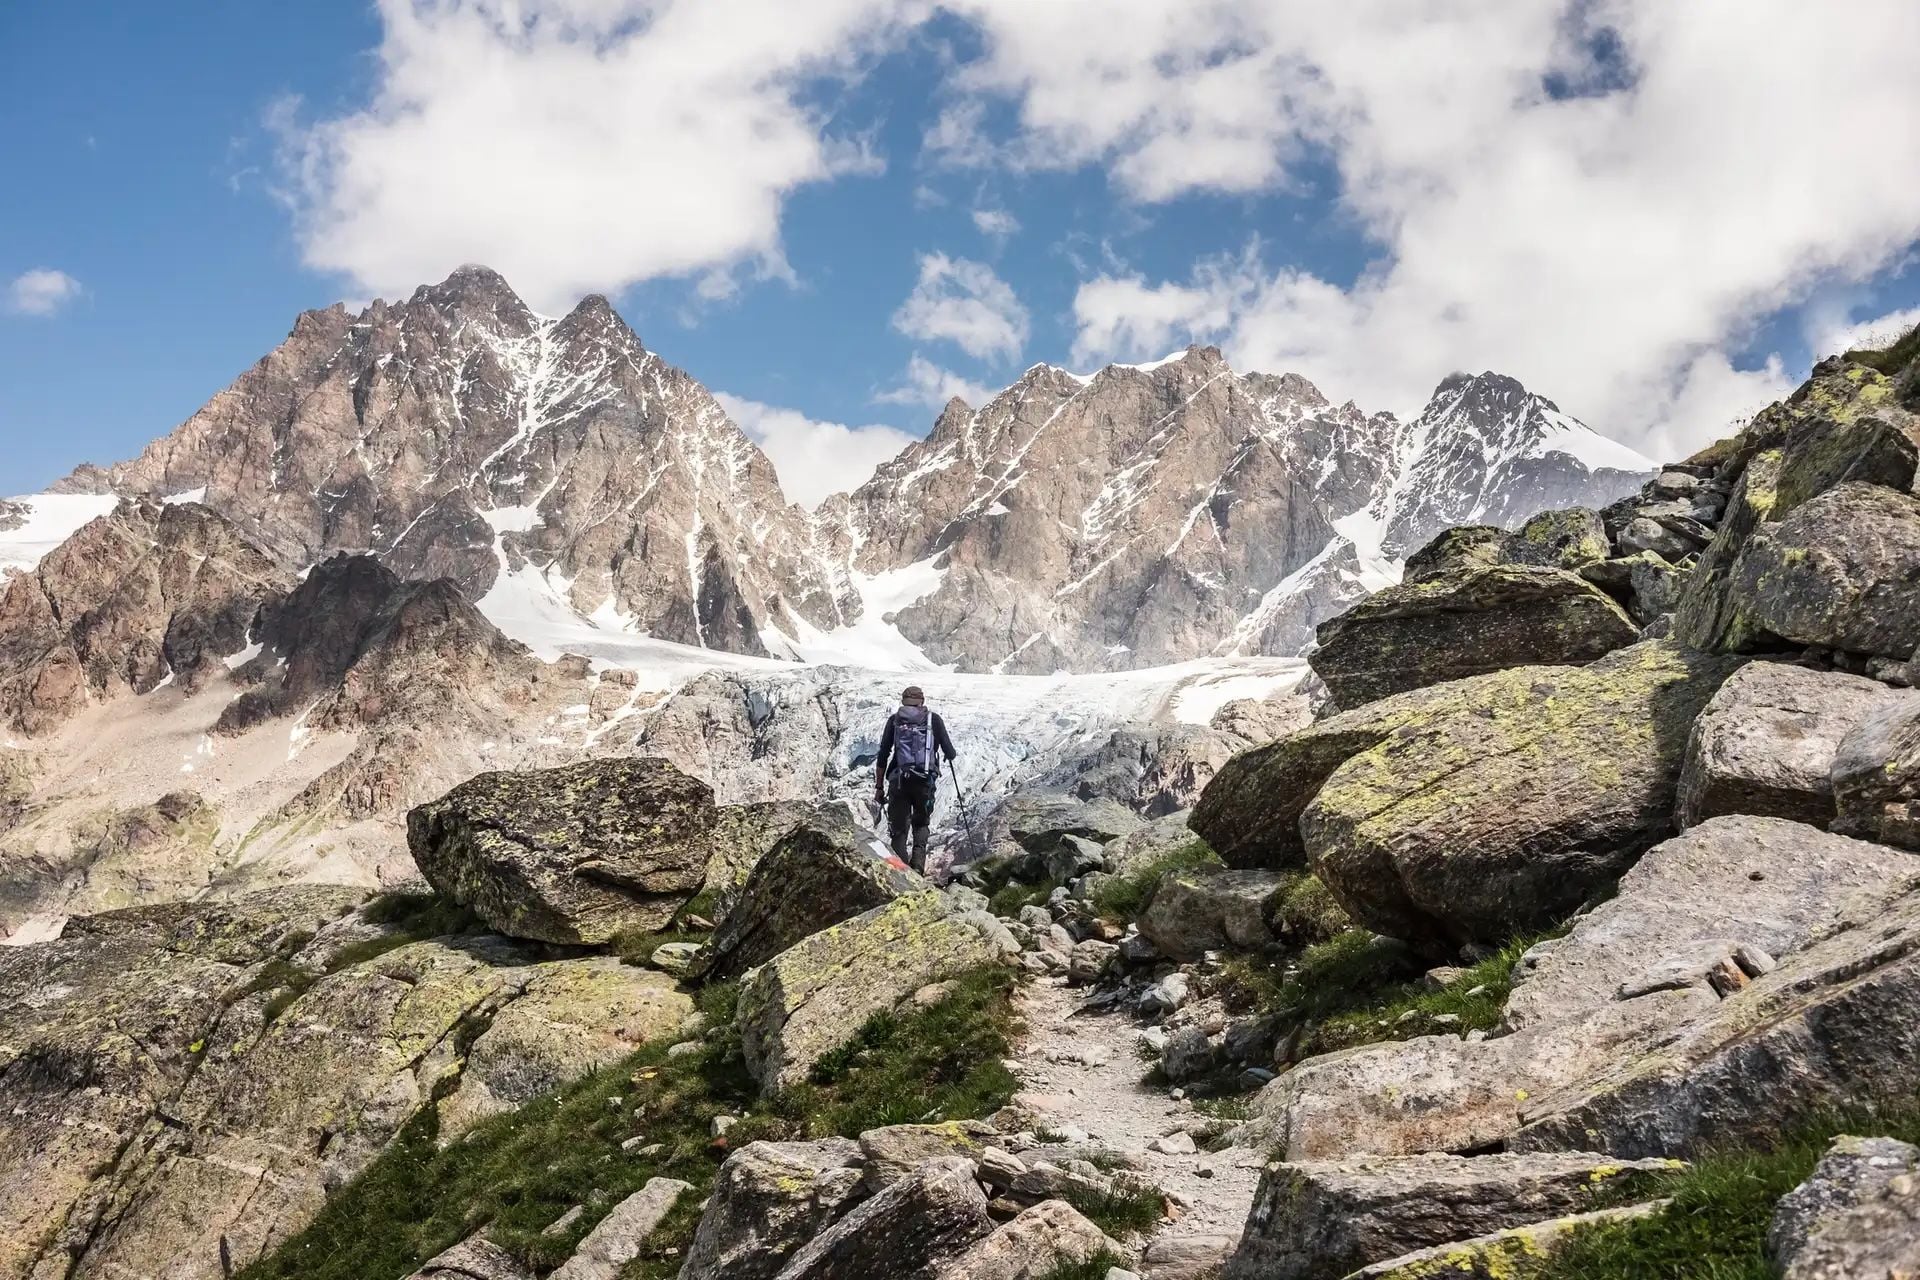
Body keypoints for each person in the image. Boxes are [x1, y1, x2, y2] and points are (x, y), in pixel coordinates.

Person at [874, 685, 957, 874]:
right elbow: (950, 752)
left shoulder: (894, 721)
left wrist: (879, 787)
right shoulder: (933, 720)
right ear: (922, 701)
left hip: (899, 781)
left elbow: (883, 754)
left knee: (899, 829)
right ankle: (918, 866)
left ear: (903, 702)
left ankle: (901, 872)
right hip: (925, 782)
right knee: (921, 823)